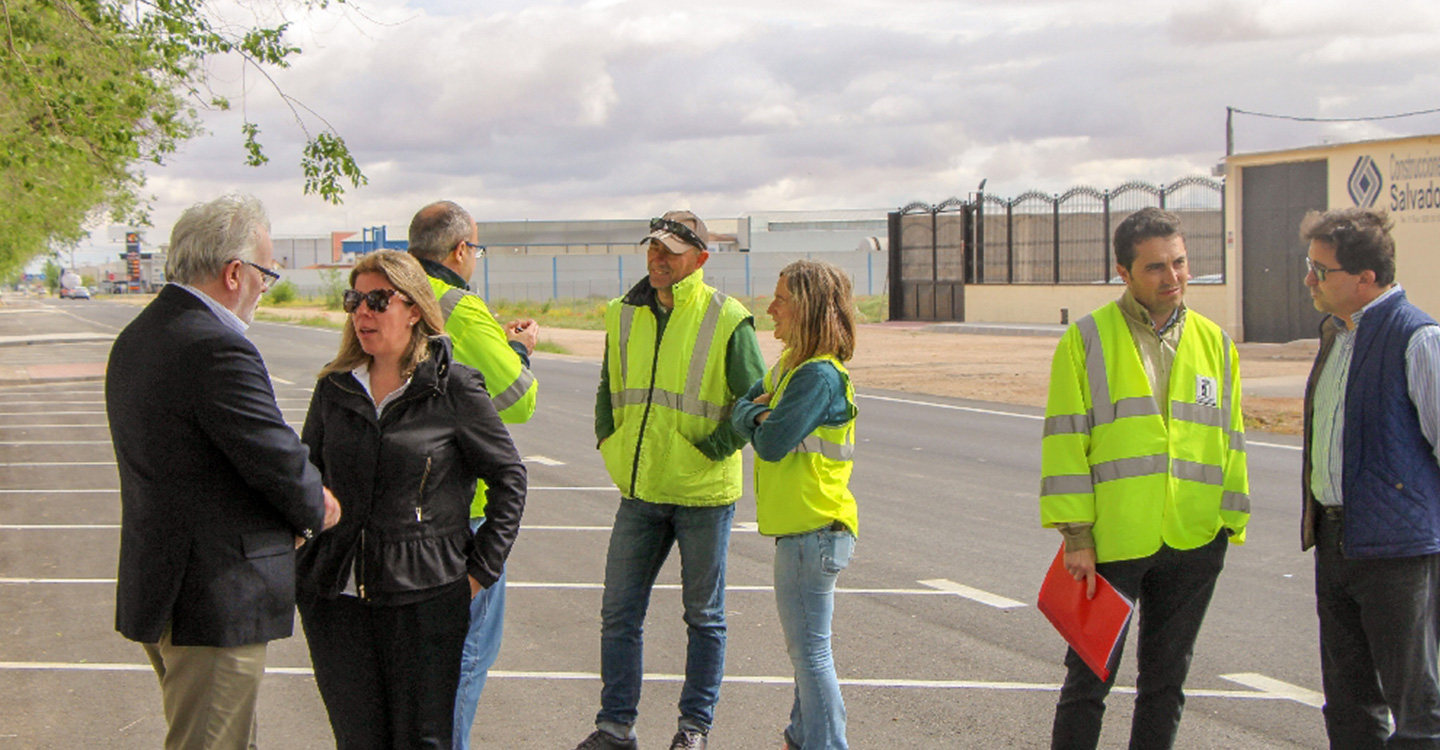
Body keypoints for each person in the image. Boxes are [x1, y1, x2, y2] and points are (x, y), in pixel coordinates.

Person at [106, 193, 342, 750]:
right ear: (235, 272)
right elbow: (273, 454)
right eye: (267, 273)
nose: (266, 286)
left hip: (169, 586)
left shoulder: (142, 335)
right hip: (212, 596)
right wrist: (318, 505)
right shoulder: (215, 346)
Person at [295, 250, 527, 750]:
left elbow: (509, 477)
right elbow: (305, 475)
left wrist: (479, 571)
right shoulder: (335, 388)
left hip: (427, 598)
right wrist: (305, 556)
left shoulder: (454, 387)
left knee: (423, 741)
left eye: (378, 300)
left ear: (415, 309)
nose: (363, 312)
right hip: (337, 601)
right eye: (354, 300)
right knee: (358, 741)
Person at [1039, 206, 1249, 750]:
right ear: (1123, 273)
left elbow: (1231, 439)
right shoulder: (1085, 341)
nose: (1173, 277)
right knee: (1088, 680)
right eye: (1156, 267)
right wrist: (1076, 538)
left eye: (1180, 263)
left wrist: (1229, 524)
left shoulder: (1216, 344)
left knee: (1166, 683)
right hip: (1112, 541)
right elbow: (1066, 442)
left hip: (1195, 538)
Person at [571, 210, 766, 750]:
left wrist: (712, 448)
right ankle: (615, 728)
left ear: (700, 260)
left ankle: (693, 729)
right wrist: (607, 440)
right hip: (639, 491)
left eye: (671, 253)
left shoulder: (728, 318)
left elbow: (756, 401)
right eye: (652, 249)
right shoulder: (621, 314)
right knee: (618, 613)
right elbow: (609, 387)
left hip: (702, 493)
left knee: (704, 617)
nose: (657, 259)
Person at [1298, 207, 1440, 749]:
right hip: (1337, 543)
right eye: (1308, 265)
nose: (1309, 279)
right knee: (1350, 704)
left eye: (1321, 270)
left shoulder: (1417, 338)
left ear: (1366, 279)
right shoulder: (1338, 335)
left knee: (1417, 709)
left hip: (1399, 553)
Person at [406, 200, 539, 750]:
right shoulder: (460, 304)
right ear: (460, 250)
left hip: (407, 505)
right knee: (464, 657)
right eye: (475, 249)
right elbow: (514, 399)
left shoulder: (393, 297)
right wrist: (519, 350)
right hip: (465, 510)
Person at [730, 260, 859, 750]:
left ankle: (824, 743)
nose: (771, 308)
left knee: (810, 655)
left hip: (815, 531)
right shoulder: (788, 367)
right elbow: (742, 407)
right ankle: (800, 738)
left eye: (781, 299)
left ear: (805, 308)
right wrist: (755, 411)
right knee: (807, 651)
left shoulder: (817, 377)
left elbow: (771, 442)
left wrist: (757, 415)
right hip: (805, 530)